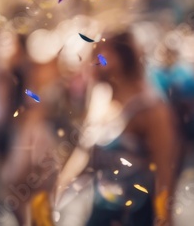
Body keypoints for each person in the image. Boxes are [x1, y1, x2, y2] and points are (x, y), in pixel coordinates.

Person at [57, 31, 178, 226]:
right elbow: (83, 154)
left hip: (135, 215)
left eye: (96, 54)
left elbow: (164, 172)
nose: (89, 62)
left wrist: (164, 219)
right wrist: (57, 194)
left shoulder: (150, 109)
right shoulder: (101, 98)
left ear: (119, 57)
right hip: (101, 212)